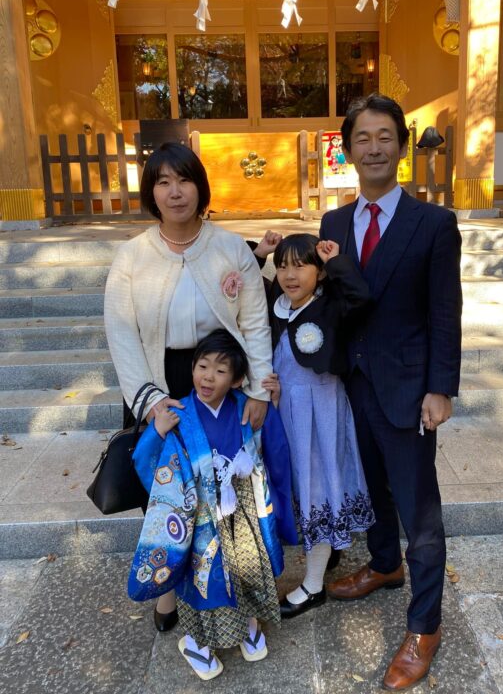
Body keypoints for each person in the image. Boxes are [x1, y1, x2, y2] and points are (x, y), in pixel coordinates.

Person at [320, 94, 462, 691]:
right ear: (347, 149)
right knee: (370, 485)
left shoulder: (433, 222)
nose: (373, 147)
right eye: (362, 138)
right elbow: (321, 297)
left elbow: (444, 311)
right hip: (352, 381)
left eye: (384, 137)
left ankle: (424, 624)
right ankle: (384, 564)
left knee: (418, 509)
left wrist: (441, 388)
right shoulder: (332, 223)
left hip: (408, 388)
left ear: (400, 147)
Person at [104, 142, 273, 633]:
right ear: (151, 192)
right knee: (167, 494)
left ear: (200, 186)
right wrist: (151, 400)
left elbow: (256, 324)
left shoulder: (227, 248)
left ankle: (221, 582)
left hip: (219, 379)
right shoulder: (132, 256)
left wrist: (259, 390)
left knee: (220, 489)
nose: (175, 192)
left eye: (184, 180)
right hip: (161, 381)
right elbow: (121, 333)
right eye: (163, 182)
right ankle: (167, 591)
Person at [129, 330, 296, 681]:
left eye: (220, 371)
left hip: (243, 511)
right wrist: (157, 431)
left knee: (247, 568)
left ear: (237, 379)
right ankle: (195, 642)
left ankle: (248, 624)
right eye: (202, 366)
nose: (208, 376)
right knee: (202, 580)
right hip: (199, 517)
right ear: (192, 369)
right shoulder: (179, 412)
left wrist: (272, 407)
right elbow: (150, 466)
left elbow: (272, 446)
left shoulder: (244, 405)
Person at [261, 233, 376, 618]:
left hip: (321, 409)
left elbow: (362, 297)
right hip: (287, 411)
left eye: (300, 265)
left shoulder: (329, 306)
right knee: (302, 484)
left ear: (320, 272)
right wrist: (259, 255)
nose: (290, 275)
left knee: (319, 486)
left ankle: (313, 585)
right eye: (282, 266)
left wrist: (336, 261)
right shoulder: (275, 306)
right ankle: (325, 553)